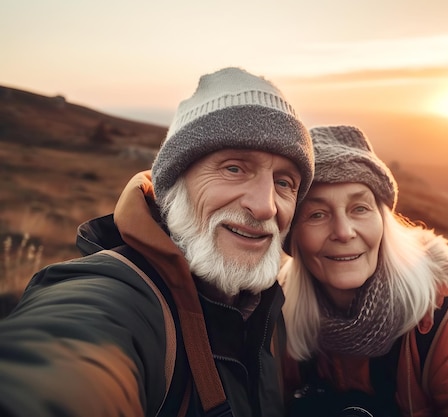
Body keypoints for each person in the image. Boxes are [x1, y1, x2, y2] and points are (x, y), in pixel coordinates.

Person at [0, 67, 314, 417]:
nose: (266, 205)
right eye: (234, 169)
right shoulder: (117, 299)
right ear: (173, 185)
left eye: (284, 182)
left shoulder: (270, 310)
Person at [280, 125, 448, 416]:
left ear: (384, 222)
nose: (344, 232)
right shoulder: (283, 320)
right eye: (317, 214)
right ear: (292, 235)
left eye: (359, 208)